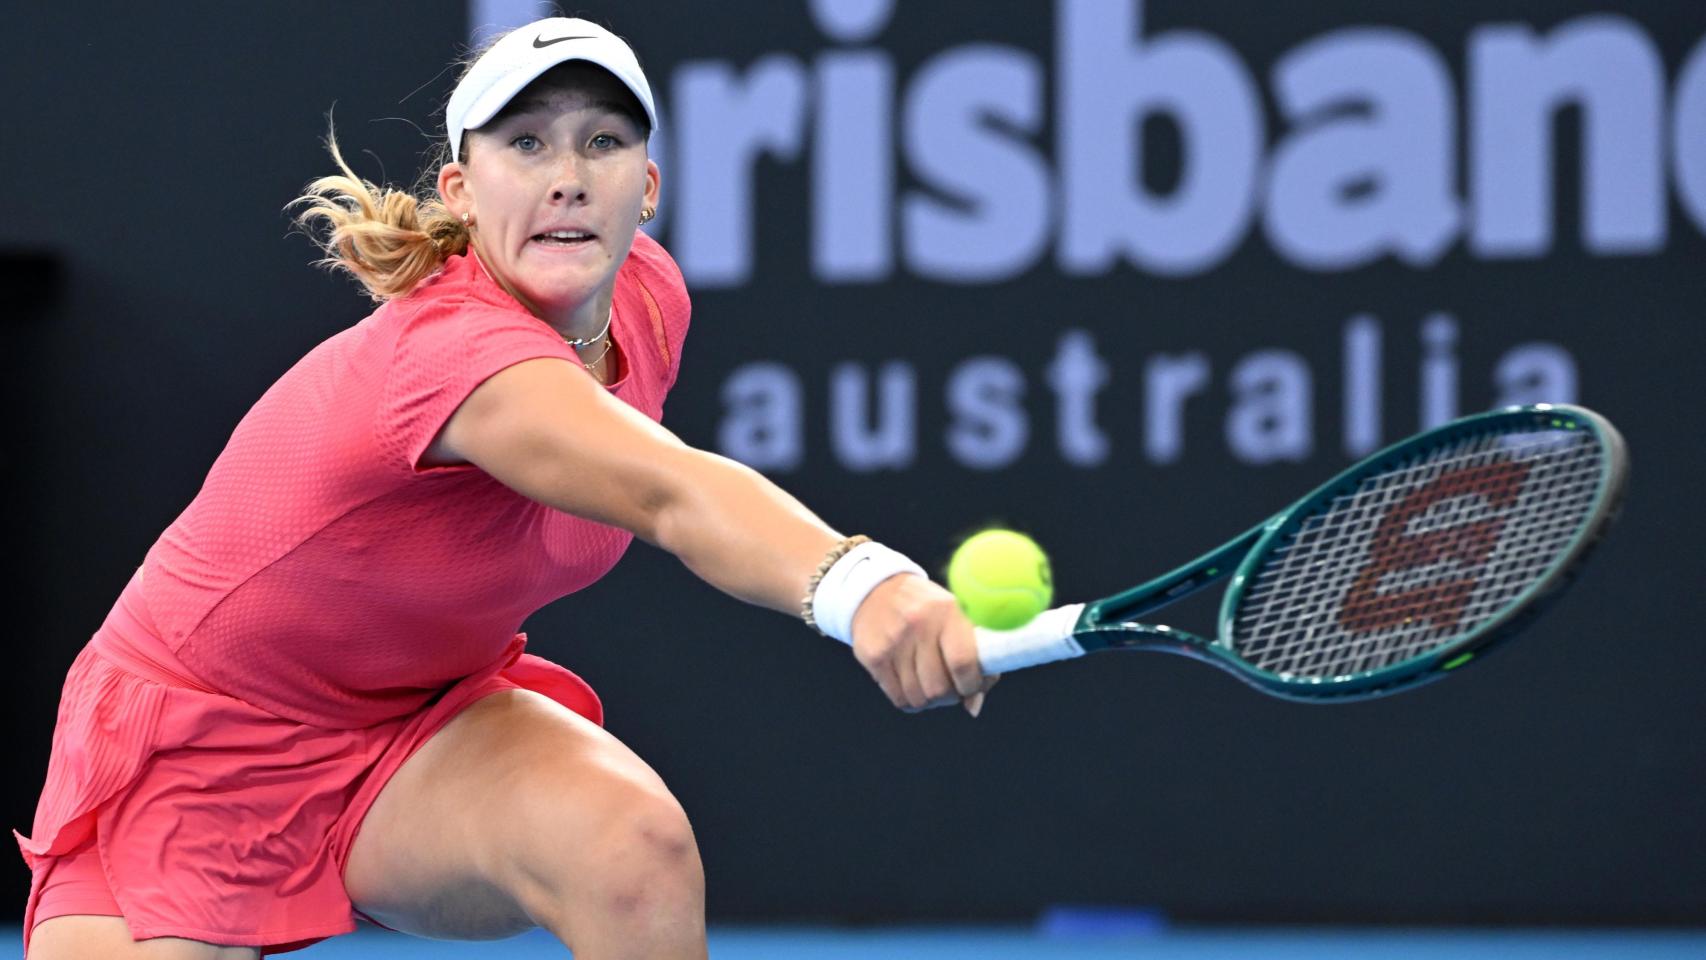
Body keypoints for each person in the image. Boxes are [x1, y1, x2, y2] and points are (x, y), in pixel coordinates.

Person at [17, 17, 996, 960]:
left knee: (630, 849)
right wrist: (864, 586)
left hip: (413, 728)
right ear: (462, 192)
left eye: (602, 142)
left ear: (647, 188)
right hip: (194, 743)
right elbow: (672, 493)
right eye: (525, 144)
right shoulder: (455, 353)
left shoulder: (647, 301)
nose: (568, 176)